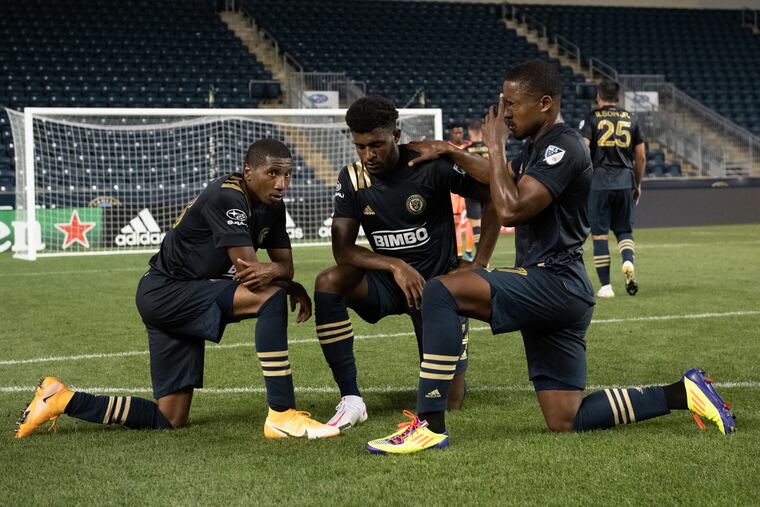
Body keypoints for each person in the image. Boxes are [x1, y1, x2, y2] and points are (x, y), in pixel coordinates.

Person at [365, 59, 735, 454]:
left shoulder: (563, 146)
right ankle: (683, 393)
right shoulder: (540, 146)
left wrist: (492, 145)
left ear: (544, 103)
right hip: (562, 290)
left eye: (512, 103)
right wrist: (452, 152)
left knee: (440, 291)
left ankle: (429, 425)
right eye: (503, 103)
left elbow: (509, 208)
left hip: (552, 281)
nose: (504, 113)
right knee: (566, 418)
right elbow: (496, 176)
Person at [16, 139, 339, 440]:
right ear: (248, 172)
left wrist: (284, 277)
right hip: (167, 292)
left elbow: (284, 267)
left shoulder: (273, 206)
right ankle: (281, 414)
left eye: (288, 175)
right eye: (273, 174)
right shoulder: (228, 197)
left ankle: (61, 398)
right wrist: (281, 279)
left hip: (181, 294)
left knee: (170, 418)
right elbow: (251, 274)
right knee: (269, 298)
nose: (282, 184)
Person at [313, 95, 500, 430]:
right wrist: (395, 266)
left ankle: (447, 359)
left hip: (438, 288)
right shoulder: (352, 179)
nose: (368, 155)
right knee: (328, 281)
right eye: (360, 147)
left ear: (396, 136)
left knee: (451, 403)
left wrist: (479, 261)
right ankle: (352, 398)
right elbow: (343, 250)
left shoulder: (428, 164)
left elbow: (493, 196)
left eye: (376, 145)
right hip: (387, 283)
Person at [580, 79, 646, 298]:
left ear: (599, 96)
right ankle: (627, 261)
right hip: (625, 181)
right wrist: (637, 184)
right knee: (624, 230)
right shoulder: (632, 119)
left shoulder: (591, 119)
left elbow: (583, 149)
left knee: (599, 236)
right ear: (618, 98)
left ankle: (606, 286)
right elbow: (641, 156)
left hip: (598, 182)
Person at [464, 119, 490, 255]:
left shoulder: (465, 151)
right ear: (482, 131)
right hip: (488, 192)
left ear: (470, 132)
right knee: (488, 227)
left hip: (473, 192)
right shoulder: (491, 148)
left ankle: (484, 261)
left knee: (476, 228)